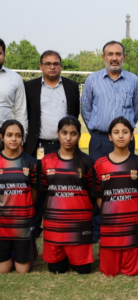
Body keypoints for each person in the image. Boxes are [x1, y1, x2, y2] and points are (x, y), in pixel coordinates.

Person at [81, 40, 138, 243]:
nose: (114, 58)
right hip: (99, 140)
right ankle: (98, 229)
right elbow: (86, 110)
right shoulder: (92, 80)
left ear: (124, 57)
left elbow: (136, 109)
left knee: (124, 185)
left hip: (126, 142)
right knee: (98, 184)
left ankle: (124, 225)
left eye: (118, 54)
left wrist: (124, 133)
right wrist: (98, 133)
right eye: (110, 54)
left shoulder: (133, 80)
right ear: (103, 57)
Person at [24, 50, 80, 239]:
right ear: (40, 66)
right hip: (38, 147)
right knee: (38, 190)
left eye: (55, 63)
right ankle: (33, 234)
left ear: (61, 66)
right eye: (47, 63)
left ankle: (63, 231)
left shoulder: (72, 86)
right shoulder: (29, 87)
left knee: (64, 190)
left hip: (64, 147)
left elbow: (75, 115)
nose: (52, 67)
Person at [94, 116, 138, 276]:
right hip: (110, 225)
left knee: (131, 271)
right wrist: (108, 212)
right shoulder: (99, 164)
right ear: (110, 136)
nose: (120, 136)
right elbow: (99, 195)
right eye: (116, 132)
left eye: (125, 132)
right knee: (108, 271)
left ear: (132, 136)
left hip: (131, 225)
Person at [41, 116, 94, 274]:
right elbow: (44, 191)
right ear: (58, 134)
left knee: (83, 270)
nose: (68, 138)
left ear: (79, 135)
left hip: (79, 226)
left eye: (73, 133)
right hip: (54, 226)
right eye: (64, 133)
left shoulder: (87, 162)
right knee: (56, 270)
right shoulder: (46, 161)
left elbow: (91, 192)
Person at [0, 120, 37, 274]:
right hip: (2, 223)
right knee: (3, 270)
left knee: (23, 271)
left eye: (18, 135)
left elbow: (34, 192)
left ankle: (28, 250)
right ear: (2, 137)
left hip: (23, 223)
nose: (14, 139)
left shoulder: (30, 162)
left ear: (22, 138)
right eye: (9, 135)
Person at [0, 38, 28, 150]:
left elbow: (21, 111)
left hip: (5, 137)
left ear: (4, 55)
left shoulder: (14, 78)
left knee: (7, 168)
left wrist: (22, 139)